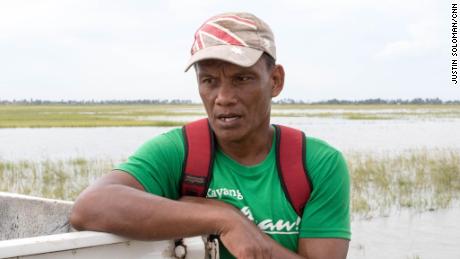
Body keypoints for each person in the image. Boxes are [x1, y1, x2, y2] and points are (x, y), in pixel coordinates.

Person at [70, 12, 351, 259]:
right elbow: (90, 208)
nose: (223, 98)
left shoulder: (317, 165)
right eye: (209, 81)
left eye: (242, 79)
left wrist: (245, 232)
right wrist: (223, 218)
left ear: (275, 81)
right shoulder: (181, 151)